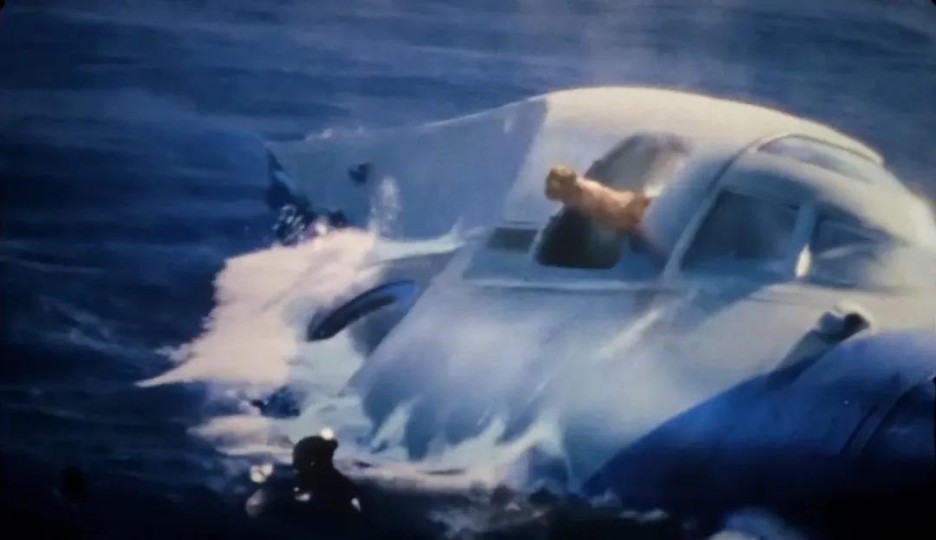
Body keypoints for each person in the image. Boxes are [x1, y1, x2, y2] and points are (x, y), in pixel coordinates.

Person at [544, 164, 652, 234]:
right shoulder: (579, 190)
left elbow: (615, 214)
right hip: (629, 207)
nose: (564, 201)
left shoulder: (589, 198)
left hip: (633, 211)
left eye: (564, 197)